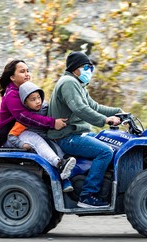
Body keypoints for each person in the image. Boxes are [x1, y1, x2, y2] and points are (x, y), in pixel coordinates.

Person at [47, 51, 123, 208]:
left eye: (91, 67)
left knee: (110, 142)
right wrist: (105, 120)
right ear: (75, 68)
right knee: (105, 151)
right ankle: (88, 195)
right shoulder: (68, 82)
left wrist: (118, 111)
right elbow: (79, 108)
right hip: (66, 137)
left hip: (76, 133)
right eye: (86, 67)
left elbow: (94, 106)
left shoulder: (79, 85)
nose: (90, 70)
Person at [0, 59, 75, 191]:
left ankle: (65, 178)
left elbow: (44, 108)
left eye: (28, 71)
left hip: (28, 130)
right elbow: (25, 117)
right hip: (14, 135)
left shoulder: (27, 91)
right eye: (22, 71)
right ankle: (60, 165)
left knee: (57, 144)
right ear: (12, 77)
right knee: (37, 141)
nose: (27, 74)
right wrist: (52, 123)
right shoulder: (12, 94)